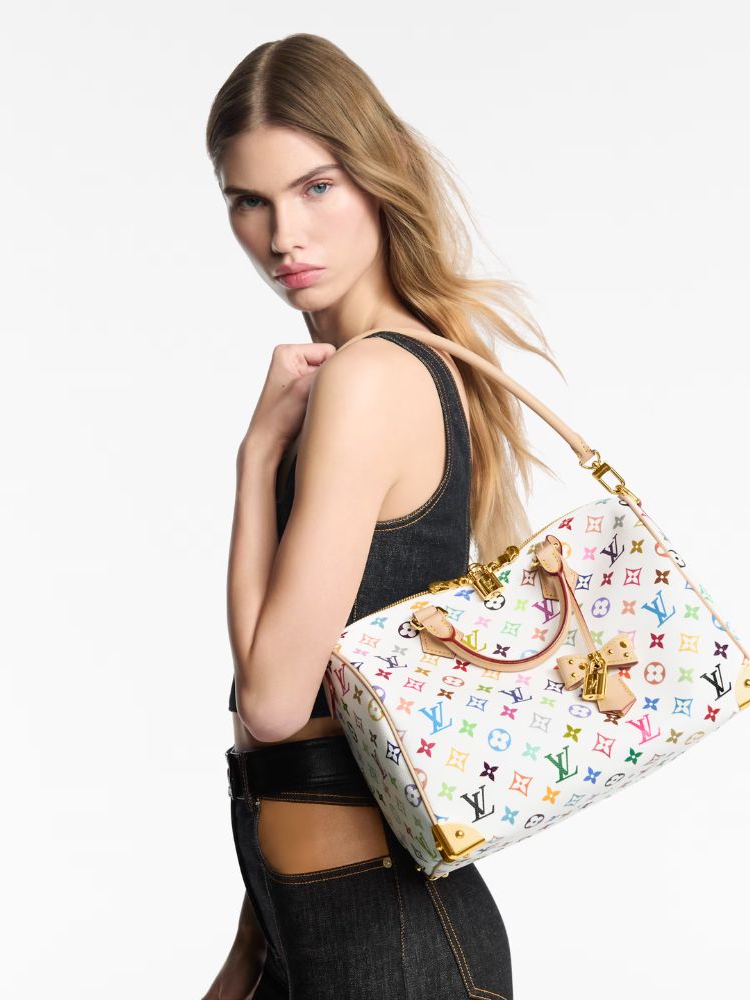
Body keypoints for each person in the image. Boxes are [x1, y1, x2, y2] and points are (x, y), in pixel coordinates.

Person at [201, 33, 564, 1000]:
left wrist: (255, 462)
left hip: (396, 958)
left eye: (315, 187)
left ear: (377, 174)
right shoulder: (396, 363)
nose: (283, 235)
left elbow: (274, 705)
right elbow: (324, 743)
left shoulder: (370, 378)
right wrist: (252, 953)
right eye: (249, 200)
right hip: (319, 939)